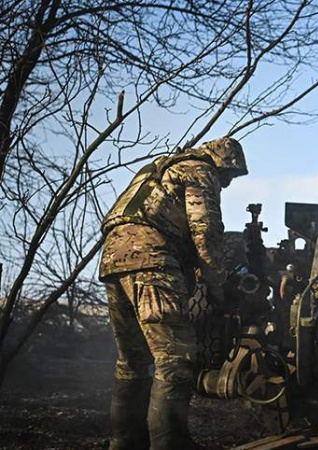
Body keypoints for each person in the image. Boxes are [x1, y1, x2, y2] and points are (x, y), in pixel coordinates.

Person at [99, 137, 247, 449]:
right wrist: (219, 288)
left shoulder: (155, 169)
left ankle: (124, 443)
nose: (228, 183)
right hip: (152, 258)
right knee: (175, 360)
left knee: (132, 360)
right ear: (221, 162)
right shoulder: (199, 170)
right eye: (229, 175)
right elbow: (205, 233)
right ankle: (170, 444)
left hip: (113, 258)